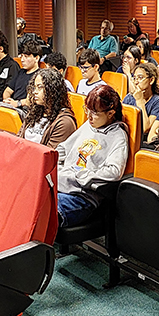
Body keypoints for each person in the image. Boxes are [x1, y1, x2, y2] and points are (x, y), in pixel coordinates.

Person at [0, 69, 78, 182]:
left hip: (35, 174)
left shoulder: (64, 122)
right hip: (19, 164)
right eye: (34, 87)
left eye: (40, 87)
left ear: (53, 90)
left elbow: (47, 159)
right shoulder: (35, 112)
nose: (35, 92)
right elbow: (18, 139)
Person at [56, 85, 129, 227]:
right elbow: (63, 148)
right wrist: (54, 164)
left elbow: (114, 171)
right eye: (87, 110)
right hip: (61, 184)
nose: (89, 116)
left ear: (110, 113)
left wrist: (80, 176)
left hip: (82, 196)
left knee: (41, 213)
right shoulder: (89, 125)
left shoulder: (118, 136)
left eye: (95, 113)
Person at [123, 62, 159, 135]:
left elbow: (145, 128)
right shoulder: (129, 97)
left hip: (143, 140)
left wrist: (140, 101)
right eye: (134, 78)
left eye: (140, 78)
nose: (136, 82)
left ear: (151, 80)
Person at [3, 40, 42, 107]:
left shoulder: (40, 76)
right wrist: (8, 102)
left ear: (36, 58)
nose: (22, 60)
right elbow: (7, 91)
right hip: (12, 106)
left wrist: (18, 103)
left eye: (26, 56)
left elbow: (34, 99)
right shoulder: (20, 72)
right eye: (21, 56)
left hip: (25, 109)